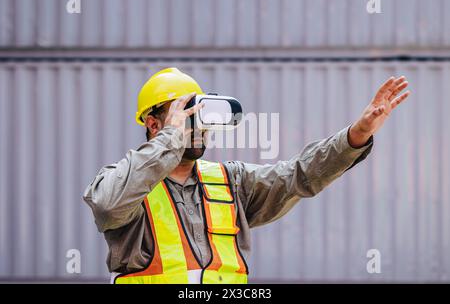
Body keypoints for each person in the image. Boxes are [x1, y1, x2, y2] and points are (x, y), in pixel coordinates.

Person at [83, 67, 410, 284]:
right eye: (187, 115)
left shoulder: (229, 181)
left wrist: (355, 136)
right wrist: (172, 137)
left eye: (201, 115)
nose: (199, 125)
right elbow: (107, 205)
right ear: (153, 125)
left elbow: (298, 175)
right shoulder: (128, 185)